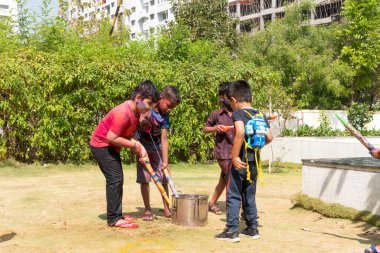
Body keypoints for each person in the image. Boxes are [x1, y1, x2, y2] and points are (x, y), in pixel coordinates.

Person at [89, 80, 160, 229]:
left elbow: (128, 135)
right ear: (138, 98)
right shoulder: (124, 112)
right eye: (148, 103)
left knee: (117, 178)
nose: (149, 109)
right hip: (101, 145)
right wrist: (136, 145)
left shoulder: (135, 112)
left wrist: (140, 149)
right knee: (115, 178)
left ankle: (117, 214)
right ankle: (114, 219)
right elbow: (111, 137)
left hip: (110, 146)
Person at [214, 80, 273, 242]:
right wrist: (255, 149)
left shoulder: (239, 113)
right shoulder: (260, 114)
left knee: (233, 195)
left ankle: (232, 231)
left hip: (239, 162)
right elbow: (269, 137)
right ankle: (252, 228)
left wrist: (234, 156)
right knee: (249, 195)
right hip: (254, 163)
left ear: (233, 100)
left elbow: (239, 131)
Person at [136, 86, 181, 220]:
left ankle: (166, 208)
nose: (169, 110)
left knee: (164, 178)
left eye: (172, 108)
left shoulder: (165, 115)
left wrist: (165, 162)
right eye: (169, 106)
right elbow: (135, 115)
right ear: (161, 98)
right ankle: (147, 209)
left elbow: (164, 138)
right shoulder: (147, 104)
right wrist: (141, 120)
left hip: (158, 148)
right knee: (145, 179)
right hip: (142, 148)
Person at [203, 82, 234, 215]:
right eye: (230, 95)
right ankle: (232, 209)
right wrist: (215, 128)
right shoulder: (217, 114)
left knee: (224, 177)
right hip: (223, 152)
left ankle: (212, 203)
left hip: (236, 152)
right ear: (222, 97)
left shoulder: (239, 113)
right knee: (231, 179)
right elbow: (205, 128)